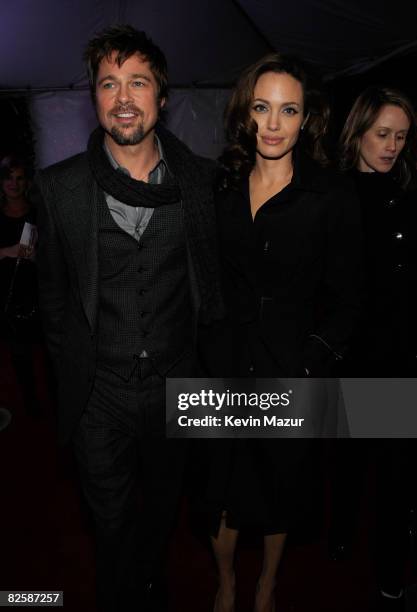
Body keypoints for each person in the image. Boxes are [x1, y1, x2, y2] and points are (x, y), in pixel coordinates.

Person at [35, 24, 223, 612]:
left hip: (177, 383)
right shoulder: (58, 187)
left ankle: (148, 580)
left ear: (161, 98)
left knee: (162, 509)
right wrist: (83, 375)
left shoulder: (201, 182)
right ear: (94, 98)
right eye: (108, 83)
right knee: (110, 520)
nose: (122, 97)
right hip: (101, 394)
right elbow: (54, 302)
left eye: (137, 82)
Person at [201, 53, 362, 612]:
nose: (273, 124)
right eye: (262, 108)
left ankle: (267, 583)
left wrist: (310, 362)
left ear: (306, 119)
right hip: (223, 366)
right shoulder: (219, 187)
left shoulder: (332, 197)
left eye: (287, 110)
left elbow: (349, 299)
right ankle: (226, 583)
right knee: (219, 490)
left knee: (279, 487)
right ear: (246, 114)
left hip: (289, 365)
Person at [330, 86, 417, 612]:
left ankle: (389, 574)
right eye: (382, 134)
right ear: (357, 130)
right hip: (355, 356)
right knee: (353, 458)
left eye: (401, 137)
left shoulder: (407, 192)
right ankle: (340, 532)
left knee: (397, 473)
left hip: (401, 357)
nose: (391, 146)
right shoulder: (335, 196)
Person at [0, 155, 41, 417]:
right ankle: (33, 408)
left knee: (47, 354)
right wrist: (9, 250)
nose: (13, 184)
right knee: (20, 357)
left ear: (26, 182)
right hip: (6, 294)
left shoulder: (37, 212)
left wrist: (39, 256)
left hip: (37, 292)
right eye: (8, 178)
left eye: (19, 178)